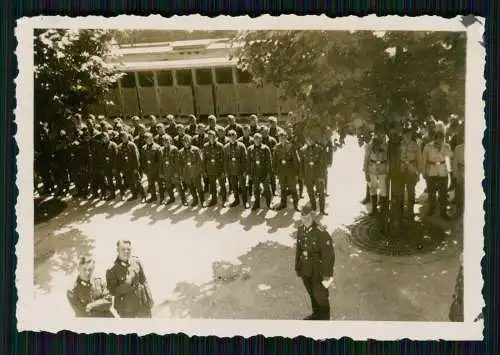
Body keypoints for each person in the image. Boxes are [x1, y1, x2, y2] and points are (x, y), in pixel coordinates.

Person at [295, 206, 335, 320]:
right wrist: (297, 266)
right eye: (303, 218)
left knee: (321, 296)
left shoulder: (321, 232)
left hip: (319, 269)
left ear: (312, 217)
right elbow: (299, 249)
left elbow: (329, 255)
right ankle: (316, 314)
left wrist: (327, 275)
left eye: (307, 218)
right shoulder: (301, 229)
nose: (305, 220)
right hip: (305, 268)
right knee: (311, 293)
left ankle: (325, 319)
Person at [106, 240, 153, 318]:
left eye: (128, 249)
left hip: (143, 305)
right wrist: (127, 283)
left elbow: (144, 280)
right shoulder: (112, 269)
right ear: (117, 250)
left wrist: (149, 297)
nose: (126, 251)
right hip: (127, 310)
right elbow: (113, 291)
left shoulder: (136, 261)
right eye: (123, 249)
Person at [421, 126, 453, 220]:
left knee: (443, 193)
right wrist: (423, 172)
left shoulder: (446, 146)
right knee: (431, 192)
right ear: (435, 138)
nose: (440, 141)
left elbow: (450, 155)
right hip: (431, 171)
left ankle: (443, 212)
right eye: (438, 138)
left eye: (442, 139)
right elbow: (424, 160)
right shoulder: (428, 146)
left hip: (443, 172)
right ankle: (431, 209)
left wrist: (442, 148)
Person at [300, 135, 328, 215]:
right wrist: (302, 176)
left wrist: (322, 176)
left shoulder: (319, 149)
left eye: (310, 139)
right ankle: (313, 207)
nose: (309, 141)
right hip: (308, 174)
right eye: (307, 139)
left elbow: (323, 164)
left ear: (313, 140)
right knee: (310, 192)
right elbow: (301, 164)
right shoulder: (303, 149)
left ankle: (322, 210)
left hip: (318, 174)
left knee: (321, 193)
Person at [273, 130, 300, 211]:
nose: (281, 139)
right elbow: (275, 160)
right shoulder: (277, 147)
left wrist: (296, 172)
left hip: (290, 171)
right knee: (283, 188)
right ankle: (283, 203)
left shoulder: (291, 146)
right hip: (281, 171)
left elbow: (295, 159)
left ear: (286, 137)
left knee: (293, 188)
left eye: (283, 137)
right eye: (279, 137)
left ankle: (296, 204)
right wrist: (276, 171)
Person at [363, 133, 389, 217]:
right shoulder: (369, 146)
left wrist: (388, 171)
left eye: (381, 136)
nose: (379, 137)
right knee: (372, 189)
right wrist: (366, 173)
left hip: (382, 170)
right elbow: (366, 160)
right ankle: (374, 209)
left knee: (383, 190)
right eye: (377, 135)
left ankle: (383, 210)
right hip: (372, 169)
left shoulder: (386, 146)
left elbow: (388, 160)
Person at [119, 131, 146, 202]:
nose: (124, 138)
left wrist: (136, 168)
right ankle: (134, 195)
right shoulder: (120, 146)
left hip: (133, 167)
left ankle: (143, 196)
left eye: (125, 137)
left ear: (127, 136)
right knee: (130, 182)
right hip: (126, 168)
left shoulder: (132, 145)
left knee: (138, 182)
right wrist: (122, 169)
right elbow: (120, 159)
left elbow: (137, 157)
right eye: (122, 137)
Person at [247, 133, 272, 210]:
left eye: (259, 139)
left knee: (267, 189)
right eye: (256, 139)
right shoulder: (250, 149)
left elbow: (269, 161)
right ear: (253, 140)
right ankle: (257, 203)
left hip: (264, 172)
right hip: (255, 173)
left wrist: (268, 173)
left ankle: (268, 204)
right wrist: (249, 173)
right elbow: (248, 162)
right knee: (256, 189)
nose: (257, 141)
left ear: (261, 139)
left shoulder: (265, 148)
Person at [224, 129, 248, 208]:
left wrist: (245, 170)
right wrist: (227, 171)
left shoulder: (241, 146)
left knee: (243, 187)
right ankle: (236, 200)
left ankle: (245, 201)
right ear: (228, 137)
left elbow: (245, 159)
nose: (232, 137)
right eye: (230, 136)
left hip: (240, 170)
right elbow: (225, 160)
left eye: (233, 135)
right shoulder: (226, 147)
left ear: (236, 136)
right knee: (234, 187)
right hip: (231, 171)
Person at [158, 134, 185, 205]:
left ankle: (183, 200)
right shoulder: (161, 149)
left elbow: (177, 163)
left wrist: (177, 172)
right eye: (164, 141)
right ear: (162, 142)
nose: (166, 142)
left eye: (167, 141)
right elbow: (160, 162)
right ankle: (172, 198)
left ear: (170, 141)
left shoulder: (174, 149)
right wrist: (160, 172)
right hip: (166, 172)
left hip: (174, 171)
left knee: (179, 186)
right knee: (168, 186)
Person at [179, 135, 204, 207]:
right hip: (187, 173)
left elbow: (200, 161)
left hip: (195, 173)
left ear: (190, 141)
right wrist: (182, 175)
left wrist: (199, 172)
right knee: (191, 187)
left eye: (187, 140)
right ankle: (195, 200)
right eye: (184, 141)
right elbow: (180, 164)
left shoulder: (196, 150)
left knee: (199, 187)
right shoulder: (180, 152)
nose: (185, 142)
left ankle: (202, 201)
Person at [203, 130, 227, 207]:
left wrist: (224, 171)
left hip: (219, 169)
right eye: (209, 137)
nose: (211, 139)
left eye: (212, 137)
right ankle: (214, 200)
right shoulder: (206, 146)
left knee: (222, 186)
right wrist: (204, 171)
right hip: (210, 169)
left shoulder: (220, 146)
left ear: (215, 137)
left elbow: (224, 159)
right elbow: (204, 160)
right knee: (212, 186)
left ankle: (224, 200)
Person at [141, 132, 162, 203]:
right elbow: (143, 160)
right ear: (145, 140)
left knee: (160, 184)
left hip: (157, 169)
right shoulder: (143, 148)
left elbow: (160, 160)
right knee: (151, 184)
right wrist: (144, 169)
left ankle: (162, 197)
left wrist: (160, 171)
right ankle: (153, 197)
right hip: (149, 170)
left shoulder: (157, 147)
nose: (149, 140)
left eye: (150, 138)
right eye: (147, 139)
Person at [99, 132, 120, 200]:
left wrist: (115, 167)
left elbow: (116, 157)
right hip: (106, 166)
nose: (104, 139)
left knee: (118, 180)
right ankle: (112, 194)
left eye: (106, 137)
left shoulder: (113, 144)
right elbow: (101, 157)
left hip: (113, 166)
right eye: (103, 138)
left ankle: (122, 194)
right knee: (110, 181)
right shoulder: (102, 146)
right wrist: (102, 167)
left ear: (108, 137)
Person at [452, 127, 465, 218]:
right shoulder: (458, 148)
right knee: (459, 194)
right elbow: (455, 163)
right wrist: (456, 175)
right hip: (460, 174)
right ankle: (458, 211)